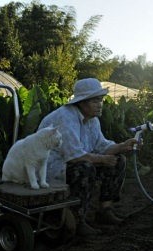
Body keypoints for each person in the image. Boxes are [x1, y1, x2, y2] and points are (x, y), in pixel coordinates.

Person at [38, 78, 138, 236]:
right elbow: (74, 157)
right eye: (95, 101)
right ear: (81, 103)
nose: (100, 105)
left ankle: (104, 211)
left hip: (73, 162)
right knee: (84, 168)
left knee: (118, 160)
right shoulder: (64, 118)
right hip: (51, 168)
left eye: (101, 100)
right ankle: (77, 220)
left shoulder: (92, 121)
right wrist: (104, 159)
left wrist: (122, 146)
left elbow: (102, 146)